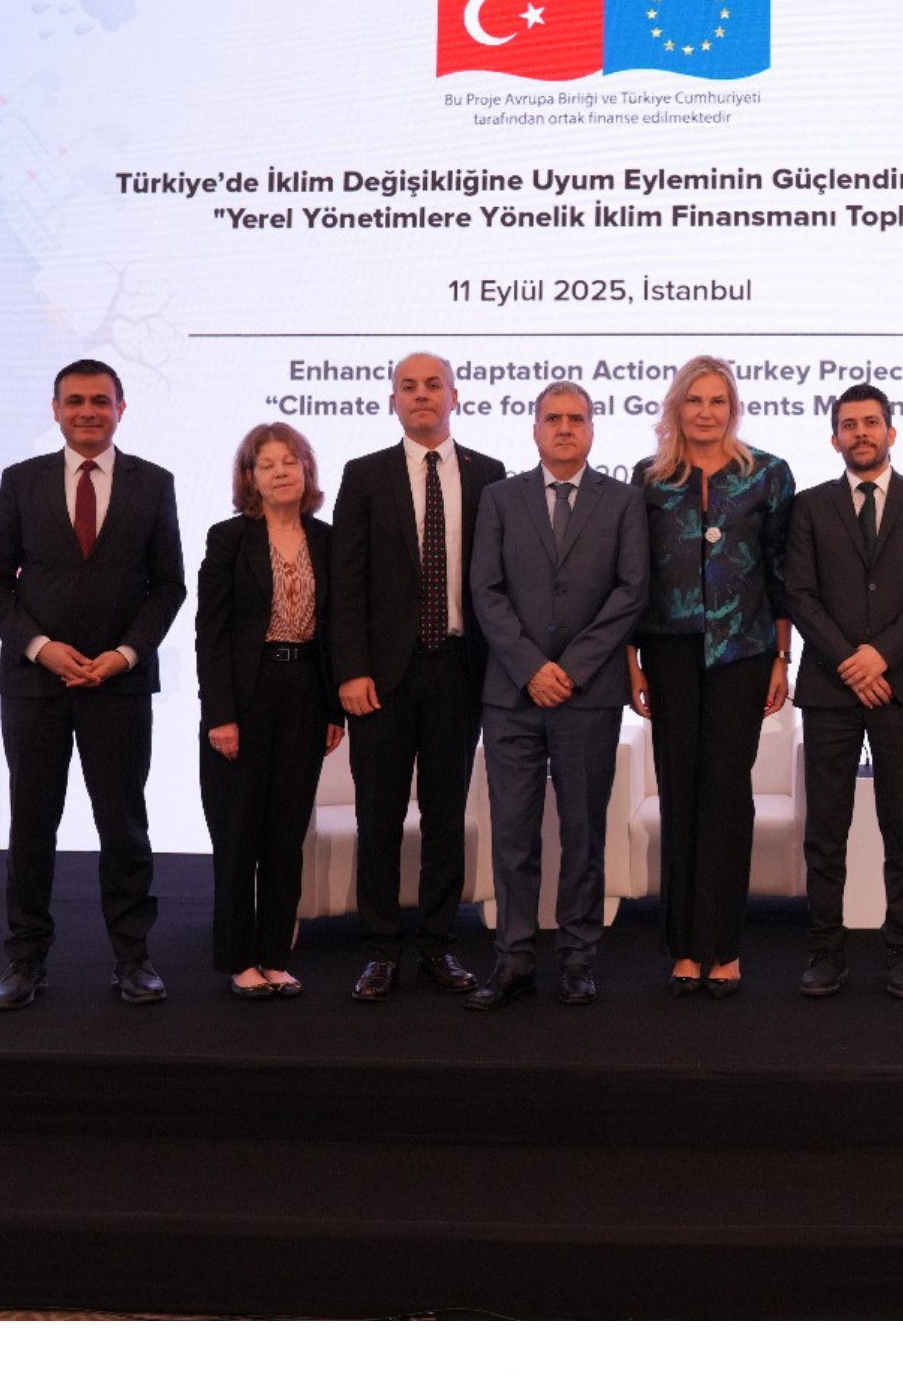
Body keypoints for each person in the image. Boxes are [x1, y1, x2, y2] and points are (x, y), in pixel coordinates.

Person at [0, 359, 186, 1010]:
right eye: (75, 401)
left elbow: (168, 586)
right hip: (34, 685)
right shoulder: (21, 480)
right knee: (31, 827)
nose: (88, 411)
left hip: (118, 685)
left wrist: (125, 654)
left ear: (121, 408)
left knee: (124, 827)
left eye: (100, 400)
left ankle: (132, 958)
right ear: (56, 410)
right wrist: (41, 648)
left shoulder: (154, 483)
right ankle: (25, 959)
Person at [466, 382, 647, 1010]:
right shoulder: (500, 497)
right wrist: (530, 668)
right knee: (513, 835)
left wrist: (569, 668)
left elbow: (631, 590)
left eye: (576, 418)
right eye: (553, 419)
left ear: (592, 430)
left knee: (583, 834)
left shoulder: (623, 500)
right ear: (535, 430)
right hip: (511, 694)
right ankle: (513, 959)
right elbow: (485, 589)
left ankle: (577, 958)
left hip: (587, 693)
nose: (564, 428)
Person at [331, 352, 506, 1000]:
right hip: (381, 679)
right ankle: (380, 951)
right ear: (393, 401)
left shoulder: (488, 474)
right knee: (377, 815)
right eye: (408, 386)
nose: (421, 395)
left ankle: (438, 945)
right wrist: (351, 669)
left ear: (455, 396)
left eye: (434, 385)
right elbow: (345, 584)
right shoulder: (365, 475)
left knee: (445, 817)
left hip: (460, 670)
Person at [627, 355, 794, 996]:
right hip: (667, 653)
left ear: (733, 408)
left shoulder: (768, 475)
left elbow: (779, 574)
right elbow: (634, 580)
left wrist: (781, 658)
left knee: (726, 794)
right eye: (694, 400)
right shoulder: (648, 479)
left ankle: (723, 947)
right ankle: (684, 948)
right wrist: (631, 663)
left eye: (717, 401)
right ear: (676, 408)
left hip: (743, 654)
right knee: (680, 793)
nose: (705, 412)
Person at [784, 382, 903, 998]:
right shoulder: (808, 506)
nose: (861, 433)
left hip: (901, 684)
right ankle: (826, 950)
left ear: (891, 432)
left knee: (902, 827)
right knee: (825, 830)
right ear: (834, 439)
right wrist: (852, 661)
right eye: (849, 425)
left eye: (871, 422)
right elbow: (799, 593)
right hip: (830, 687)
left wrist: (881, 655)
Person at [196, 423, 343, 999]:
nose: (281, 472)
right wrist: (220, 715)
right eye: (267, 464)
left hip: (305, 690)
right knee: (239, 835)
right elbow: (211, 632)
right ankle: (239, 960)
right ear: (250, 478)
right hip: (245, 695)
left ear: (306, 470)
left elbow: (336, 631)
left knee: (286, 834)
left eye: (290, 461)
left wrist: (333, 709)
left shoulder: (327, 540)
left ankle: (276, 956)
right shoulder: (229, 539)